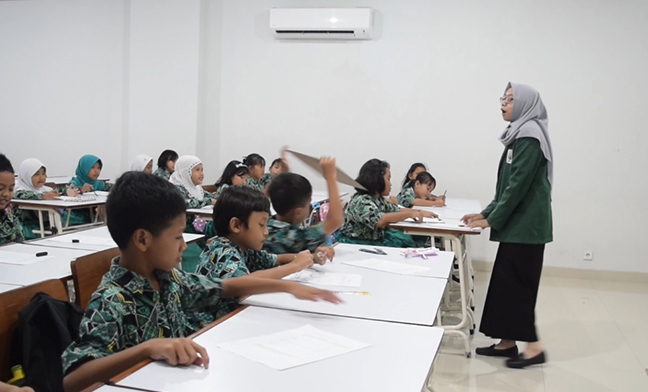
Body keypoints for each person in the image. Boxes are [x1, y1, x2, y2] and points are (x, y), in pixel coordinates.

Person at [61, 172, 341, 392]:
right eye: (177, 237)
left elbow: (226, 287)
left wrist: (289, 286)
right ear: (143, 239)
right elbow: (73, 379)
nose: (184, 246)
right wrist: (146, 350)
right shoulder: (111, 299)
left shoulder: (169, 278)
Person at [462, 82, 553, 369]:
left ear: (526, 104)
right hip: (518, 227)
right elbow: (505, 189)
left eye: (511, 99)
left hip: (527, 229)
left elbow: (517, 189)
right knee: (506, 285)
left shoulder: (529, 138)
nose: (503, 102)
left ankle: (534, 348)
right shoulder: (518, 137)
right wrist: (486, 213)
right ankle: (507, 343)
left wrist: (491, 219)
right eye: (504, 97)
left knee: (519, 288)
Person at [338, 159, 436, 247]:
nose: (391, 184)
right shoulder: (361, 201)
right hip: (355, 244)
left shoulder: (377, 199)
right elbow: (380, 220)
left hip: (371, 241)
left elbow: (395, 209)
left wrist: (419, 212)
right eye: (388, 179)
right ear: (377, 180)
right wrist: (410, 213)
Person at [264, 157, 342, 258]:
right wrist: (331, 177)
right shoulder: (296, 237)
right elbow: (335, 220)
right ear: (298, 212)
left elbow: (262, 198)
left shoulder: (263, 226)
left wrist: (282, 179)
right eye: (309, 203)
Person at [13, 158, 76, 239]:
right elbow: (22, 195)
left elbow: (56, 191)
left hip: (44, 226)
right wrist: (43, 197)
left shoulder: (44, 189)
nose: (42, 177)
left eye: (43, 174)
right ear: (26, 175)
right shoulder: (19, 190)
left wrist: (67, 191)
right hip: (27, 230)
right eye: (36, 174)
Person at [0, 153, 24, 245]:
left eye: (10, 189)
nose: (6, 194)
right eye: (0, 188)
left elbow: (22, 248)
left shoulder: (11, 220)